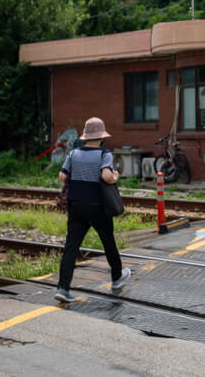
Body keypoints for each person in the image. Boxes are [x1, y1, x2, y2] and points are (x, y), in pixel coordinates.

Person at [55, 117, 130, 303]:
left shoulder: (73, 153)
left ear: (85, 137)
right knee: (108, 242)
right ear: (101, 137)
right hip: (97, 206)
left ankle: (63, 288)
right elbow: (106, 176)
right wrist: (115, 176)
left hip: (76, 206)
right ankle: (117, 278)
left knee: (71, 247)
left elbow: (62, 176)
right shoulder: (104, 154)